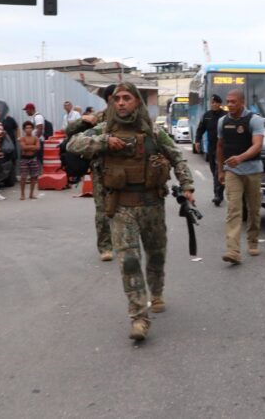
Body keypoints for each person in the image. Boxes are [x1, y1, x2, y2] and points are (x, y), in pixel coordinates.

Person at [67, 82, 195, 341]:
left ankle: (156, 291)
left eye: (127, 98)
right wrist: (104, 142)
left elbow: (176, 156)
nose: (121, 103)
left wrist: (188, 185)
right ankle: (138, 316)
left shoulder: (153, 132)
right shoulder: (105, 129)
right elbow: (73, 144)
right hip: (122, 206)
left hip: (152, 205)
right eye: (117, 99)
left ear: (137, 101)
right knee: (129, 260)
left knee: (156, 254)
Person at [66, 84, 115, 262]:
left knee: (125, 209)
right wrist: (84, 120)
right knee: (102, 209)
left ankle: (124, 240)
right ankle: (105, 246)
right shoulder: (99, 117)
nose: (122, 101)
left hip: (126, 171)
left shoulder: (131, 117)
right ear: (109, 99)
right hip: (102, 169)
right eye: (117, 97)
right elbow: (70, 132)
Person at [217, 89, 265, 264]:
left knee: (253, 209)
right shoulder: (223, 121)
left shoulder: (255, 120)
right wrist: (220, 171)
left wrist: (241, 158)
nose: (229, 105)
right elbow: (220, 146)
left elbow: (257, 145)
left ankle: (252, 240)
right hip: (233, 172)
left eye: (233, 102)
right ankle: (233, 250)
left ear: (242, 102)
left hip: (253, 170)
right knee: (233, 210)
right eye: (228, 102)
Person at [194, 94, 226, 206]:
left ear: (220, 104)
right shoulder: (207, 116)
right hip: (211, 148)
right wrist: (197, 141)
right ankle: (219, 193)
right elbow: (200, 129)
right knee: (214, 172)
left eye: (216, 102)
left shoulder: (225, 116)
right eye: (212, 103)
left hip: (222, 149)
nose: (214, 104)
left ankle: (217, 195)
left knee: (218, 170)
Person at [19, 121, 40, 200]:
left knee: (34, 177)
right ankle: (22, 194)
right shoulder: (22, 138)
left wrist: (28, 146)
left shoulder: (35, 138)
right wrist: (32, 146)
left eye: (30, 128)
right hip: (24, 159)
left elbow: (38, 148)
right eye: (27, 128)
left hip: (33, 158)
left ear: (33, 129)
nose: (29, 129)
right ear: (24, 129)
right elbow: (23, 147)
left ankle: (31, 194)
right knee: (23, 177)